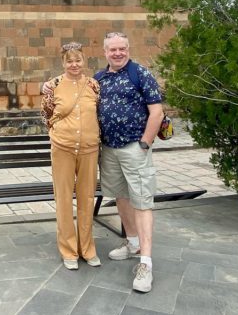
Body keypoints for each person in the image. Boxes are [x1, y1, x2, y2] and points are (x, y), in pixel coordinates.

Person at [96, 32, 164, 293]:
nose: (118, 53)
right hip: (109, 149)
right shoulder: (99, 79)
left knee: (142, 200)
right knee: (121, 197)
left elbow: (156, 111)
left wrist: (145, 143)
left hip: (134, 146)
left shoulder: (140, 74)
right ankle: (132, 242)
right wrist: (49, 85)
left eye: (122, 48)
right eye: (113, 49)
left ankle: (145, 262)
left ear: (128, 49)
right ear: (105, 52)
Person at [40, 42, 102, 271]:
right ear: (63, 62)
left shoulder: (94, 85)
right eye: (69, 61)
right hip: (63, 148)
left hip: (88, 148)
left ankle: (88, 248)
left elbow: (99, 112)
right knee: (64, 199)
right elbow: (46, 116)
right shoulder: (53, 86)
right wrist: (59, 135)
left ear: (84, 61)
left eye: (78, 60)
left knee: (86, 198)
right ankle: (68, 249)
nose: (74, 65)